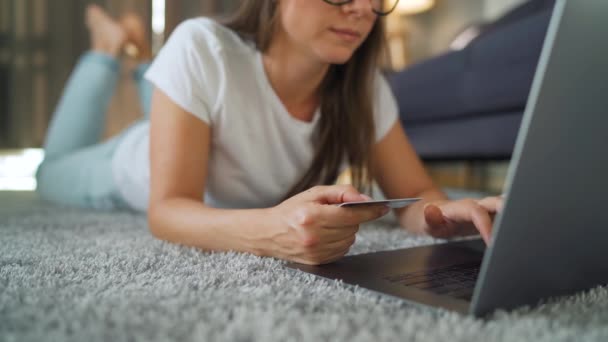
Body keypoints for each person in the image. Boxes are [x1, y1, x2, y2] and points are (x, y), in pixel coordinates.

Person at [37, 1, 503, 266]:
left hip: (202, 115)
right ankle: (105, 48)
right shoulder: (202, 45)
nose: (362, 9)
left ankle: (142, 63)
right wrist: (267, 231)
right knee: (50, 171)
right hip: (129, 164)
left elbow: (416, 192)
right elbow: (167, 210)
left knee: (185, 90)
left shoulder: (365, 89)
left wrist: (446, 211)